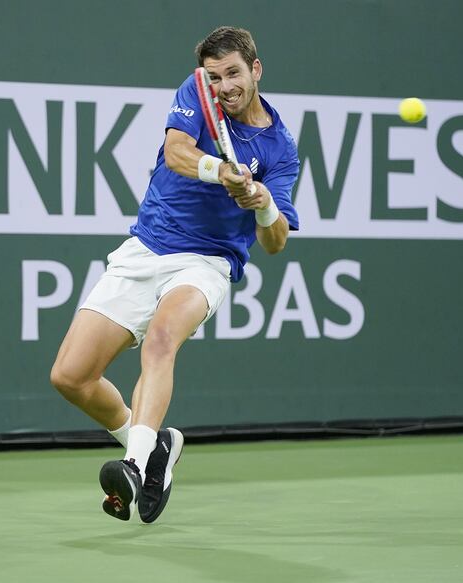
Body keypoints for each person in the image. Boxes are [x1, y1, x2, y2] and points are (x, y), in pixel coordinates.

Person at [50, 26, 300, 523]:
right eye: (216, 76)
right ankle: (154, 444)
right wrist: (221, 172)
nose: (225, 86)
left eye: (234, 74)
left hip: (206, 263)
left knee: (162, 339)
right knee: (71, 377)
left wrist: (264, 203)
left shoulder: (280, 148)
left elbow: (276, 242)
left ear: (256, 70)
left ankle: (136, 463)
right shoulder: (198, 91)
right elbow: (176, 152)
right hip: (146, 248)